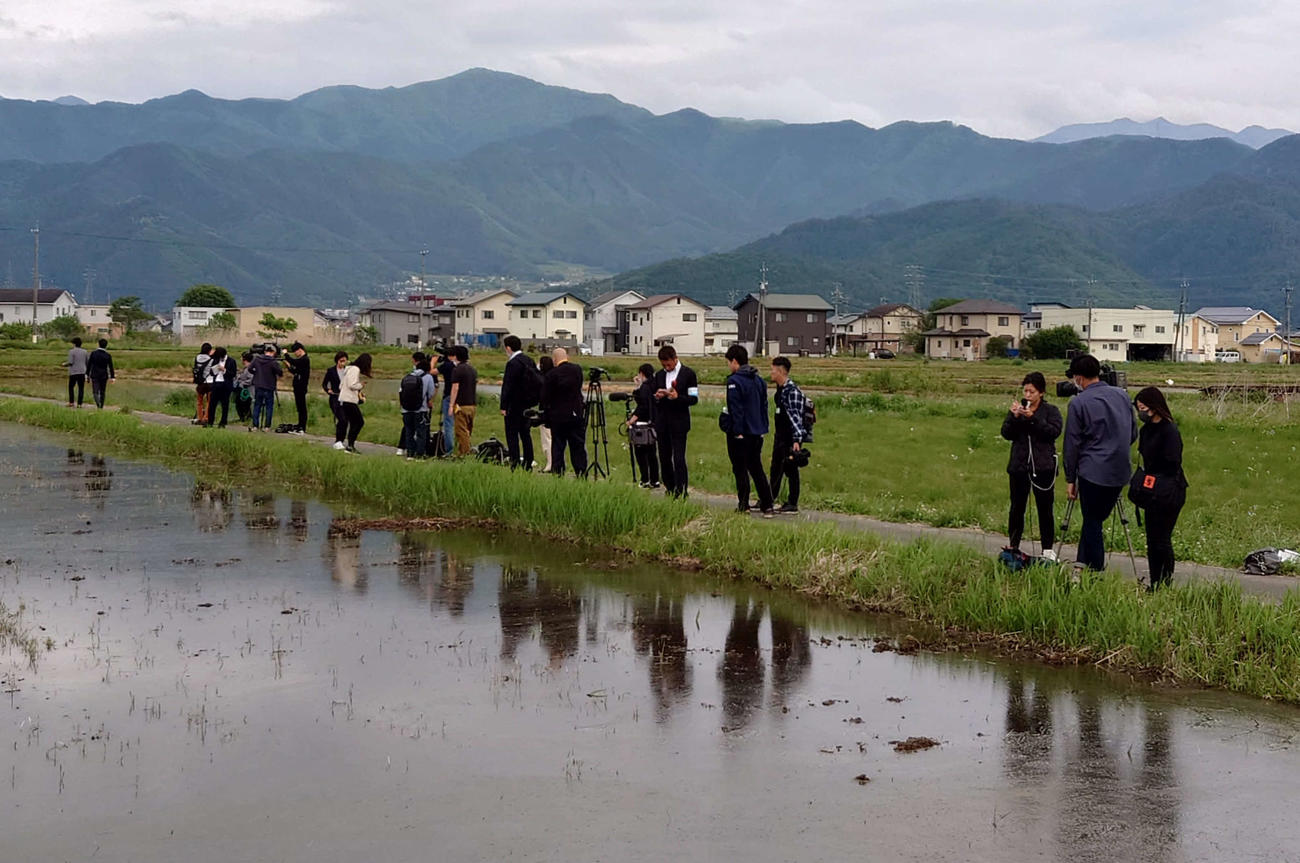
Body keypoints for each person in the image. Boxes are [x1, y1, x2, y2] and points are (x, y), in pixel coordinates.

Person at [1063, 354, 1138, 571]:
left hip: (1092, 470)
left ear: (1079, 378)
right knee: (1095, 519)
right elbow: (1133, 432)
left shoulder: (1078, 403)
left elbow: (1072, 443)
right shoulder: (1122, 396)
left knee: (1092, 522)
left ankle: (1095, 571)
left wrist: (1070, 477)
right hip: (1120, 470)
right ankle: (1082, 563)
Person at [1000, 371, 1063, 561]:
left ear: (1041, 393)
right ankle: (1013, 545)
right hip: (1019, 466)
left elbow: (1053, 432)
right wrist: (1014, 417)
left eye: (1032, 392)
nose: (1027, 395)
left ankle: (1047, 549)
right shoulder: (1018, 409)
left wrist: (1033, 418)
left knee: (1045, 508)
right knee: (1017, 507)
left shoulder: (1051, 411)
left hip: (1043, 467)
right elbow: (1006, 433)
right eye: (1025, 391)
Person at [1133, 387, 1188, 589]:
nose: (1141, 412)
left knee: (1162, 538)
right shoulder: (1146, 430)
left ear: (1154, 407)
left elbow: (1173, 462)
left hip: (1170, 490)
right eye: (1138, 408)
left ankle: (1164, 583)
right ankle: (1154, 580)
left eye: (1143, 408)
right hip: (1151, 490)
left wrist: (1156, 477)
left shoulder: (1169, 430)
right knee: (1152, 539)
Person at [722, 344, 774, 516]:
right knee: (756, 468)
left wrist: (737, 431)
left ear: (734, 361)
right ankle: (767, 504)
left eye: (729, 362)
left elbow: (736, 409)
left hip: (741, 432)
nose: (729, 366)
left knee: (740, 469)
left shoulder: (734, 381)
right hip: (757, 431)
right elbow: (764, 406)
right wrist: (763, 427)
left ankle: (743, 504)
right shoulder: (759, 380)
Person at [652, 345, 699, 498]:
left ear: (675, 358)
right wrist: (659, 396)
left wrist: (678, 398)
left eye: (668, 364)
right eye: (663, 365)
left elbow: (693, 399)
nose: (666, 368)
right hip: (662, 422)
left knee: (678, 458)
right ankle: (670, 488)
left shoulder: (688, 374)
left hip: (679, 422)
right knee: (664, 458)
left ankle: (682, 489)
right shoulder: (659, 375)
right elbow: (654, 395)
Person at [769, 355, 808, 513]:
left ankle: (792, 502)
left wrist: (796, 440)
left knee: (790, 469)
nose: (771, 373)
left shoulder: (792, 392)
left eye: (773, 370)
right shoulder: (780, 390)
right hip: (780, 435)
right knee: (775, 468)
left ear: (780, 372)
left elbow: (796, 417)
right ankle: (769, 498)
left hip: (790, 437)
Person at [541, 347, 586, 476]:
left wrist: (545, 413)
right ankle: (581, 471)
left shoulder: (552, 374)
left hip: (558, 416)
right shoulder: (577, 370)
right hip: (575, 413)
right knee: (577, 445)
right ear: (567, 357)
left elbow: (545, 396)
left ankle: (558, 471)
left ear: (554, 359)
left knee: (558, 446)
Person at [500, 335, 540, 470]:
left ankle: (515, 461)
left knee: (512, 435)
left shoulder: (512, 363)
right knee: (525, 434)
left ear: (508, 348)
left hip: (514, 404)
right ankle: (528, 461)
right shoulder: (529, 360)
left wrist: (503, 406)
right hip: (527, 403)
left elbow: (508, 386)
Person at [626, 363, 660, 488]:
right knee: (652, 453)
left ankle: (645, 479)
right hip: (653, 423)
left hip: (642, 424)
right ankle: (655, 480)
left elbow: (642, 406)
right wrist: (638, 386)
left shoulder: (645, 387)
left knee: (641, 454)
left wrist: (631, 420)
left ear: (641, 373)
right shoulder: (655, 385)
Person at [399, 352, 437, 459]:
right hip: (420, 409)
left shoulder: (407, 376)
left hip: (406, 409)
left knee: (409, 432)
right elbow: (431, 393)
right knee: (421, 432)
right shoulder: (428, 377)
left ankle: (410, 454)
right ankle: (419, 454)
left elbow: (401, 391)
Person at [333, 352, 371, 451]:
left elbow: (341, 386)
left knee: (353, 422)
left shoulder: (348, 369)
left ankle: (349, 444)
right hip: (349, 401)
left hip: (343, 400)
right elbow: (352, 385)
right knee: (359, 422)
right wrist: (361, 385)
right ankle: (350, 445)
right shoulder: (355, 369)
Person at [447, 345, 478, 457]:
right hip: (472, 404)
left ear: (456, 356)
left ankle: (465, 454)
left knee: (460, 431)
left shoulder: (457, 370)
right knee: (468, 430)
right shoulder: (472, 369)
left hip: (461, 405)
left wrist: (451, 405)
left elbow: (455, 388)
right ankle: (462, 452)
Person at [249, 343, 283, 432]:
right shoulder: (273, 362)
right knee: (269, 407)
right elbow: (280, 372)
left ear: (265, 352)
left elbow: (249, 369)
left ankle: (255, 426)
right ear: (273, 352)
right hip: (269, 386)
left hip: (258, 385)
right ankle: (267, 426)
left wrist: (256, 374)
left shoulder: (257, 359)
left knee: (257, 405)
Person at [283, 341, 311, 434]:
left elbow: (295, 362)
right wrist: (288, 366)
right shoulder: (301, 360)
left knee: (302, 407)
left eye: (295, 351)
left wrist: (286, 354)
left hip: (301, 387)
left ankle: (302, 426)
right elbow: (295, 371)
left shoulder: (305, 359)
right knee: (299, 407)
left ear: (300, 350)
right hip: (297, 386)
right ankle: (300, 425)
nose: (295, 354)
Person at [205, 347, 233, 428]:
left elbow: (233, 374)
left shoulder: (231, 361)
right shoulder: (216, 360)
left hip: (225, 385)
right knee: (212, 404)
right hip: (216, 384)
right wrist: (214, 370)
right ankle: (210, 422)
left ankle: (223, 422)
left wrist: (224, 370)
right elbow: (211, 372)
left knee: (225, 405)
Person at [436, 349, 456, 456]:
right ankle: (461, 449)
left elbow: (431, 371)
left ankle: (449, 451)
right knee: (460, 424)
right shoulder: (461, 366)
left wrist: (433, 361)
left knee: (448, 424)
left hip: (448, 396)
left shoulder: (446, 365)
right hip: (462, 398)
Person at [86, 338, 115, 410]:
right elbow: (111, 367)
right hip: (104, 375)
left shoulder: (93, 353)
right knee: (102, 391)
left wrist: (87, 374)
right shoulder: (107, 355)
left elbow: (89, 364)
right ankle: (101, 406)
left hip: (95, 374)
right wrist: (112, 377)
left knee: (95, 391)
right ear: (106, 345)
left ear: (98, 344)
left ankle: (98, 404)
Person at [537, 355, 555, 472]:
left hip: (545, 412)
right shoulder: (554, 376)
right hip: (555, 411)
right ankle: (553, 462)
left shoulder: (543, 379)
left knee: (547, 439)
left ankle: (550, 463)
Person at [63, 337, 89, 408]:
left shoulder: (71, 351)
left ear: (74, 344)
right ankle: (79, 404)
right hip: (82, 372)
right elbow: (87, 362)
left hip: (73, 372)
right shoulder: (85, 351)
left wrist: (64, 364)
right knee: (81, 388)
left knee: (71, 387)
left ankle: (71, 402)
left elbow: (70, 362)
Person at [322, 351, 347, 426]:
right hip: (335, 397)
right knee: (341, 418)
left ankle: (341, 431)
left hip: (346, 398)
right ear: (337, 361)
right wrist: (328, 390)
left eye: (344, 361)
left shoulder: (348, 370)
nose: (343, 363)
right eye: (341, 361)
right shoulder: (331, 371)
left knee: (346, 419)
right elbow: (324, 383)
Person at [192, 342, 213, 424]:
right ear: (209, 350)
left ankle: (199, 418)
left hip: (200, 382)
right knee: (209, 401)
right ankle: (206, 418)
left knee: (199, 401)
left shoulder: (197, 357)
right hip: (209, 382)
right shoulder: (211, 359)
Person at [233, 352, 255, 424]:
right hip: (243, 388)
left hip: (247, 390)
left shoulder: (250, 368)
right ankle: (244, 417)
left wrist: (242, 383)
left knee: (245, 404)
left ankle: (246, 417)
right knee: (240, 403)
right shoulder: (246, 368)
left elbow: (251, 379)